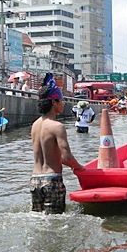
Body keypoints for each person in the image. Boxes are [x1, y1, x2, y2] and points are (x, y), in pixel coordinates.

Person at [30, 73, 85, 215]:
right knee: (55, 222)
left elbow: (47, 154)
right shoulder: (57, 126)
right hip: (52, 180)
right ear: (53, 102)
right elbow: (66, 158)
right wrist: (80, 168)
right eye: (61, 100)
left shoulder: (35, 125)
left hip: (35, 180)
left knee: (38, 219)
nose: (63, 103)